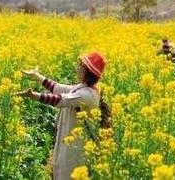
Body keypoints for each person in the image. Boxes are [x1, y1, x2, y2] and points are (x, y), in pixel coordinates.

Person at [14, 52, 107, 180]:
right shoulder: (83, 88)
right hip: (68, 144)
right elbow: (58, 88)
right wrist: (37, 76)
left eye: (81, 65)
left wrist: (33, 95)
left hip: (75, 150)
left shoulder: (87, 95)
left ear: (89, 71)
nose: (77, 68)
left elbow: (60, 100)